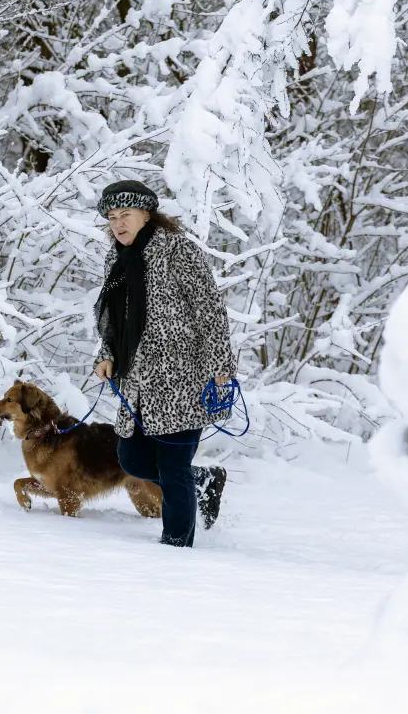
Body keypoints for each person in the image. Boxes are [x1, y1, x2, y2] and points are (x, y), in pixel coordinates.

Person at [92, 180, 231, 547]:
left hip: (185, 377)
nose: (118, 224)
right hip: (136, 381)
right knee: (133, 460)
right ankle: (200, 479)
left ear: (147, 215)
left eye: (126, 215)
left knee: (171, 468)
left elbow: (210, 311)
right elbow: (113, 321)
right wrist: (106, 354)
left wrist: (221, 367)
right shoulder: (116, 259)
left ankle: (175, 548)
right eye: (111, 217)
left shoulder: (177, 251)